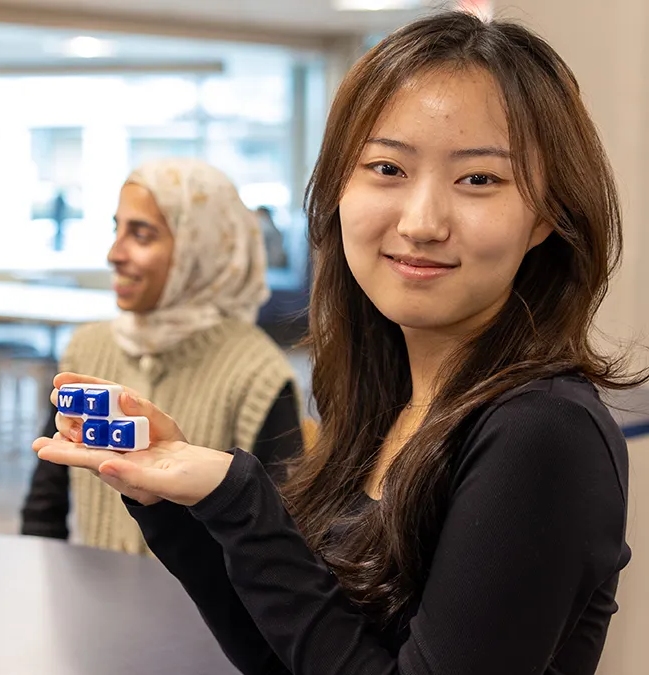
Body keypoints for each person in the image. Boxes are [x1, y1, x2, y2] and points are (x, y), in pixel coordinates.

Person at [36, 11, 641, 674]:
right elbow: (291, 656)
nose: (422, 222)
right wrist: (178, 503)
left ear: (546, 216)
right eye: (387, 167)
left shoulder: (542, 431)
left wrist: (245, 501)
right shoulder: (383, 397)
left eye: (479, 179)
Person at [21, 158, 304, 554]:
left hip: (203, 597)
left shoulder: (258, 374)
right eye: (117, 229)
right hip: (99, 589)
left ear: (200, 250)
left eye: (141, 234)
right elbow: (44, 504)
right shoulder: (86, 348)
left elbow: (279, 544)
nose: (114, 253)